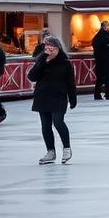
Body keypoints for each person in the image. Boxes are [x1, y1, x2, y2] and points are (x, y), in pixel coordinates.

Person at [29, 36, 77, 165]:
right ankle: (50, 152)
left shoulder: (65, 63)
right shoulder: (42, 60)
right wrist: (43, 60)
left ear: (58, 48)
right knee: (45, 126)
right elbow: (31, 76)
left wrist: (73, 98)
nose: (50, 51)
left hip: (58, 96)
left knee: (58, 122)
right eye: (47, 48)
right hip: (42, 96)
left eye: (52, 48)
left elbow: (70, 82)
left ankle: (66, 148)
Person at [91, 21, 109, 101]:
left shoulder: (98, 36)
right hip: (105, 60)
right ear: (104, 26)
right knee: (105, 77)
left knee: (102, 78)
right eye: (107, 26)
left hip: (101, 60)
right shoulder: (104, 36)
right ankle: (106, 94)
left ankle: (100, 94)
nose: (108, 27)